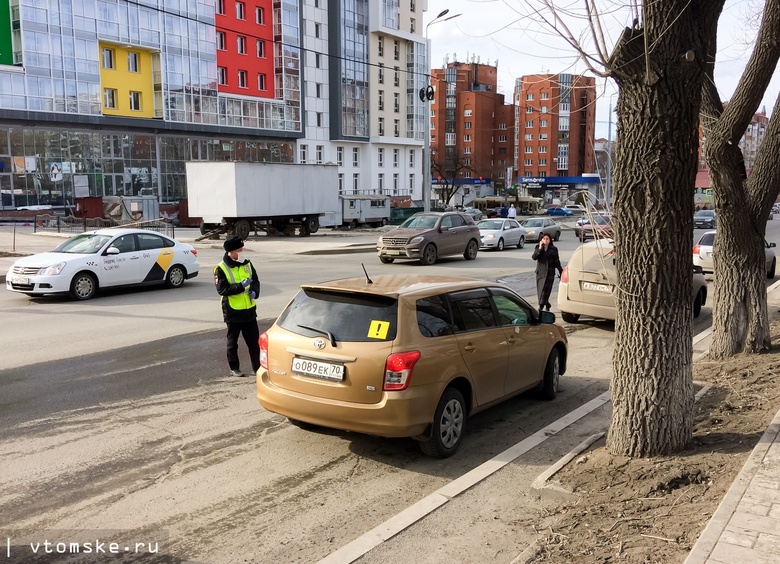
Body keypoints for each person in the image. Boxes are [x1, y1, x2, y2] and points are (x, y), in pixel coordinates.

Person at [214, 235, 261, 377]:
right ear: (231, 252)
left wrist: (255, 291)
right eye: (239, 250)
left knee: (254, 343)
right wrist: (241, 286)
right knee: (232, 343)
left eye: (242, 249)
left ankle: (257, 368)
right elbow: (222, 290)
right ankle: (234, 368)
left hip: (249, 310)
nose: (242, 252)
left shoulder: (247, 263)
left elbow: (256, 280)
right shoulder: (221, 268)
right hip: (232, 311)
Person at [532, 233, 563, 311]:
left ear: (550, 240)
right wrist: (540, 248)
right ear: (541, 240)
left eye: (547, 239)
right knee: (541, 291)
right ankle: (546, 304)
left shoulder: (554, 249)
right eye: (544, 239)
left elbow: (556, 261)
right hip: (541, 273)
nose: (545, 240)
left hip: (550, 272)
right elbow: (534, 257)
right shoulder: (538, 247)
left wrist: (561, 271)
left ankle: (541, 307)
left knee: (547, 290)